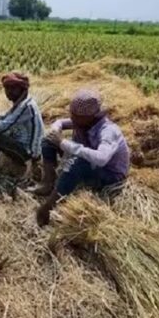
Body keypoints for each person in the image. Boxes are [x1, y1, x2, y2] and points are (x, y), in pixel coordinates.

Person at [35, 89, 129, 226]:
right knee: (49, 141)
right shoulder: (84, 122)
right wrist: (55, 131)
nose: (72, 118)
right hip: (89, 163)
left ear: (90, 116)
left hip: (110, 174)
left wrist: (63, 143)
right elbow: (60, 122)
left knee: (78, 164)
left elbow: (101, 159)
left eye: (75, 116)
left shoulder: (108, 132)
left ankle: (48, 207)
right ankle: (48, 183)